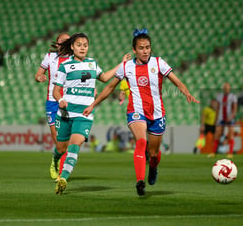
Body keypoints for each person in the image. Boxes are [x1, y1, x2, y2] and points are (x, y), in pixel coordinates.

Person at [83, 28, 200, 196]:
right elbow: (109, 87)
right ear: (134, 50)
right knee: (141, 142)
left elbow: (177, 81)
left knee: (153, 154)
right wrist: (93, 104)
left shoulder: (159, 63)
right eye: (141, 48)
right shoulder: (126, 67)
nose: (145, 51)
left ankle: (153, 167)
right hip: (136, 110)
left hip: (157, 112)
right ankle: (140, 181)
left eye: (148, 47)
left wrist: (187, 93)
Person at [52, 33, 131, 195]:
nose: (83, 47)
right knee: (60, 147)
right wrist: (60, 100)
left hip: (85, 113)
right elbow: (55, 91)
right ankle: (55, 160)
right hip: (66, 113)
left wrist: (121, 64)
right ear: (72, 47)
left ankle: (63, 178)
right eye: (79, 45)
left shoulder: (92, 63)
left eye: (85, 45)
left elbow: (104, 78)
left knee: (75, 145)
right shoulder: (65, 66)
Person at [35, 33, 70, 180]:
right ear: (57, 44)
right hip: (52, 101)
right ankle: (55, 162)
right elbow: (38, 74)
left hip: (68, 102)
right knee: (57, 139)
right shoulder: (50, 57)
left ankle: (62, 174)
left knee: (65, 141)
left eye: (68, 42)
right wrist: (40, 77)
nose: (64, 44)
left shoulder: (74, 60)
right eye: (61, 41)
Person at [207, 82, 238, 159]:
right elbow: (217, 109)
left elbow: (234, 109)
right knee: (217, 134)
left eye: (227, 88)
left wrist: (231, 117)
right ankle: (213, 152)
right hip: (221, 118)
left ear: (229, 88)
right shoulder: (219, 97)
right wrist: (216, 119)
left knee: (230, 134)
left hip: (230, 118)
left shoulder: (233, 97)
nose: (226, 89)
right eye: (225, 88)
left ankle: (230, 153)